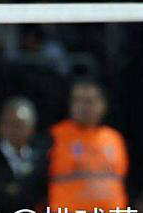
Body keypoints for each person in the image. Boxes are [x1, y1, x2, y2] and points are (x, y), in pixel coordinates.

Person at [46, 79, 128, 212]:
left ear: (103, 105)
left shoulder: (114, 138)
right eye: (77, 101)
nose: (83, 107)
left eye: (89, 101)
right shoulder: (56, 136)